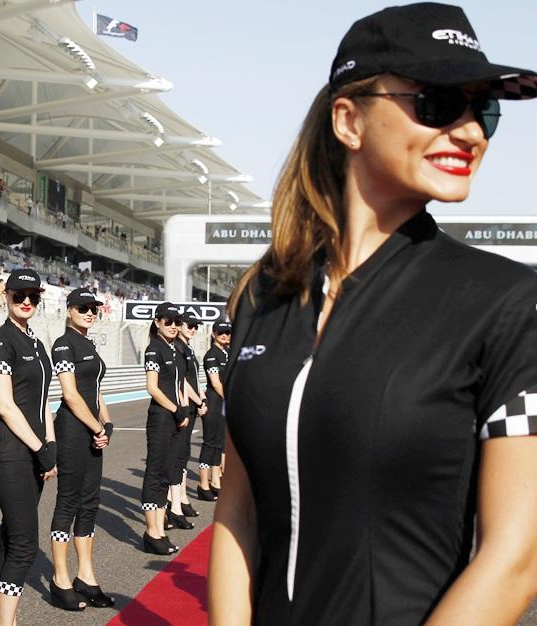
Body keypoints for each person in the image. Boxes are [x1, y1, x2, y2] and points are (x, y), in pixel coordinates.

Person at [208, 4, 537, 626]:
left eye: (484, 109)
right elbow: (236, 513)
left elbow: (515, 558)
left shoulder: (508, 301)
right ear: (348, 121)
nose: (471, 132)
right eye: (439, 102)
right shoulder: (261, 297)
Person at [0, 268, 56, 626]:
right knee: (26, 542)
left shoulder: (38, 343)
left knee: (13, 535)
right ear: (6, 296)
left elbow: (44, 401)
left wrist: (51, 445)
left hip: (36, 448)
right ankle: (6, 623)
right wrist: (39, 447)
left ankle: (6, 618)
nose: (26, 301)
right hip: (8, 450)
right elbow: (5, 406)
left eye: (33, 296)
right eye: (19, 295)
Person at [48, 288, 115, 611]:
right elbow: (71, 396)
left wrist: (108, 424)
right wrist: (97, 427)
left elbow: (97, 391)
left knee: (90, 503)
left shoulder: (90, 344)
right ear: (70, 309)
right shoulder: (63, 344)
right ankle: (61, 580)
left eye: (94, 308)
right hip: (73, 431)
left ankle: (86, 578)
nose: (90, 312)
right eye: (83, 307)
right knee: (68, 503)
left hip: (93, 431)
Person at [141, 302, 190, 555]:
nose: (173, 326)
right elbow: (152, 387)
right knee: (155, 473)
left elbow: (180, 384)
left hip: (175, 417)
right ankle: (151, 532)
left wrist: (184, 410)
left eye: (176, 322)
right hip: (161, 417)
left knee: (167, 472)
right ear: (157, 322)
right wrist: (176, 409)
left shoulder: (175, 349)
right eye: (168, 321)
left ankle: (160, 530)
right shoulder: (154, 349)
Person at [172, 312, 207, 519]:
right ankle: (177, 499)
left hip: (193, 404)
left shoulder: (188, 348)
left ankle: (182, 497)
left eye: (196, 326)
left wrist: (202, 398)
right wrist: (198, 400)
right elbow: (182, 381)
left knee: (184, 454)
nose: (193, 329)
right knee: (179, 454)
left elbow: (194, 378)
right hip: (185, 404)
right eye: (190, 325)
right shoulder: (177, 348)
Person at [198, 320, 231, 501]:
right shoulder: (212, 355)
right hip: (214, 401)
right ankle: (203, 484)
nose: (225, 335)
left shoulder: (225, 353)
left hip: (223, 402)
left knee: (220, 443)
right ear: (213, 334)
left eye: (227, 332)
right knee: (210, 442)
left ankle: (216, 480)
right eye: (221, 333)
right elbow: (216, 383)